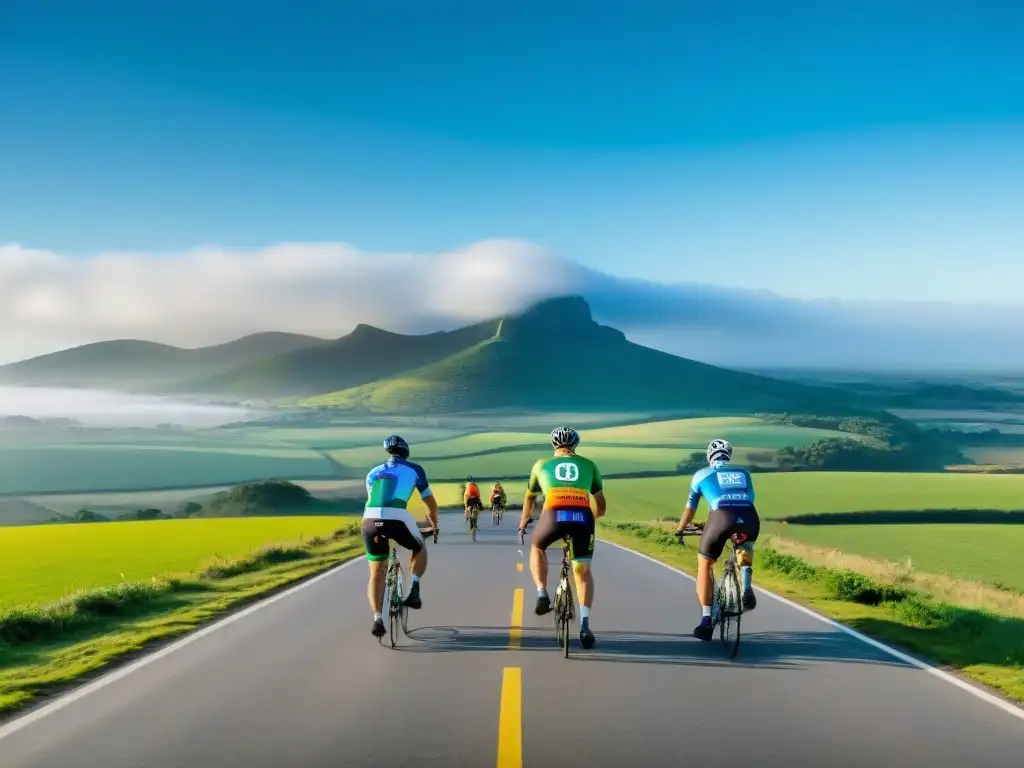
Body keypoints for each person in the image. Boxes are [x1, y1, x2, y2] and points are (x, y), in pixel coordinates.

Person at [517, 427, 606, 649]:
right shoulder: (589, 465)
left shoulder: (540, 465)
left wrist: (522, 524)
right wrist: (587, 520)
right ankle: (585, 625)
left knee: (537, 546)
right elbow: (601, 506)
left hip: (553, 514)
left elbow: (530, 499)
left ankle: (541, 593)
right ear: (576, 445)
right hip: (582, 517)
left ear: (554, 445)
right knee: (582, 571)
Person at [675, 438, 760, 642]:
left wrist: (680, 528)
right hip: (748, 516)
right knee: (744, 544)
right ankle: (746, 583)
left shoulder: (701, 475)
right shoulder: (743, 473)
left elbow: (691, 508)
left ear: (709, 456)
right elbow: (748, 498)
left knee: (705, 564)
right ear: (728, 456)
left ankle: (706, 620)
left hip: (720, 518)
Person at [362, 435, 439, 639]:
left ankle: (378, 619)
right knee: (419, 546)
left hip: (369, 520)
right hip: (397, 518)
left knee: (376, 572)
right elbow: (430, 502)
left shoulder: (372, 473)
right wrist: (434, 524)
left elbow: (376, 500)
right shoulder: (415, 470)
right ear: (406, 452)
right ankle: (414, 590)